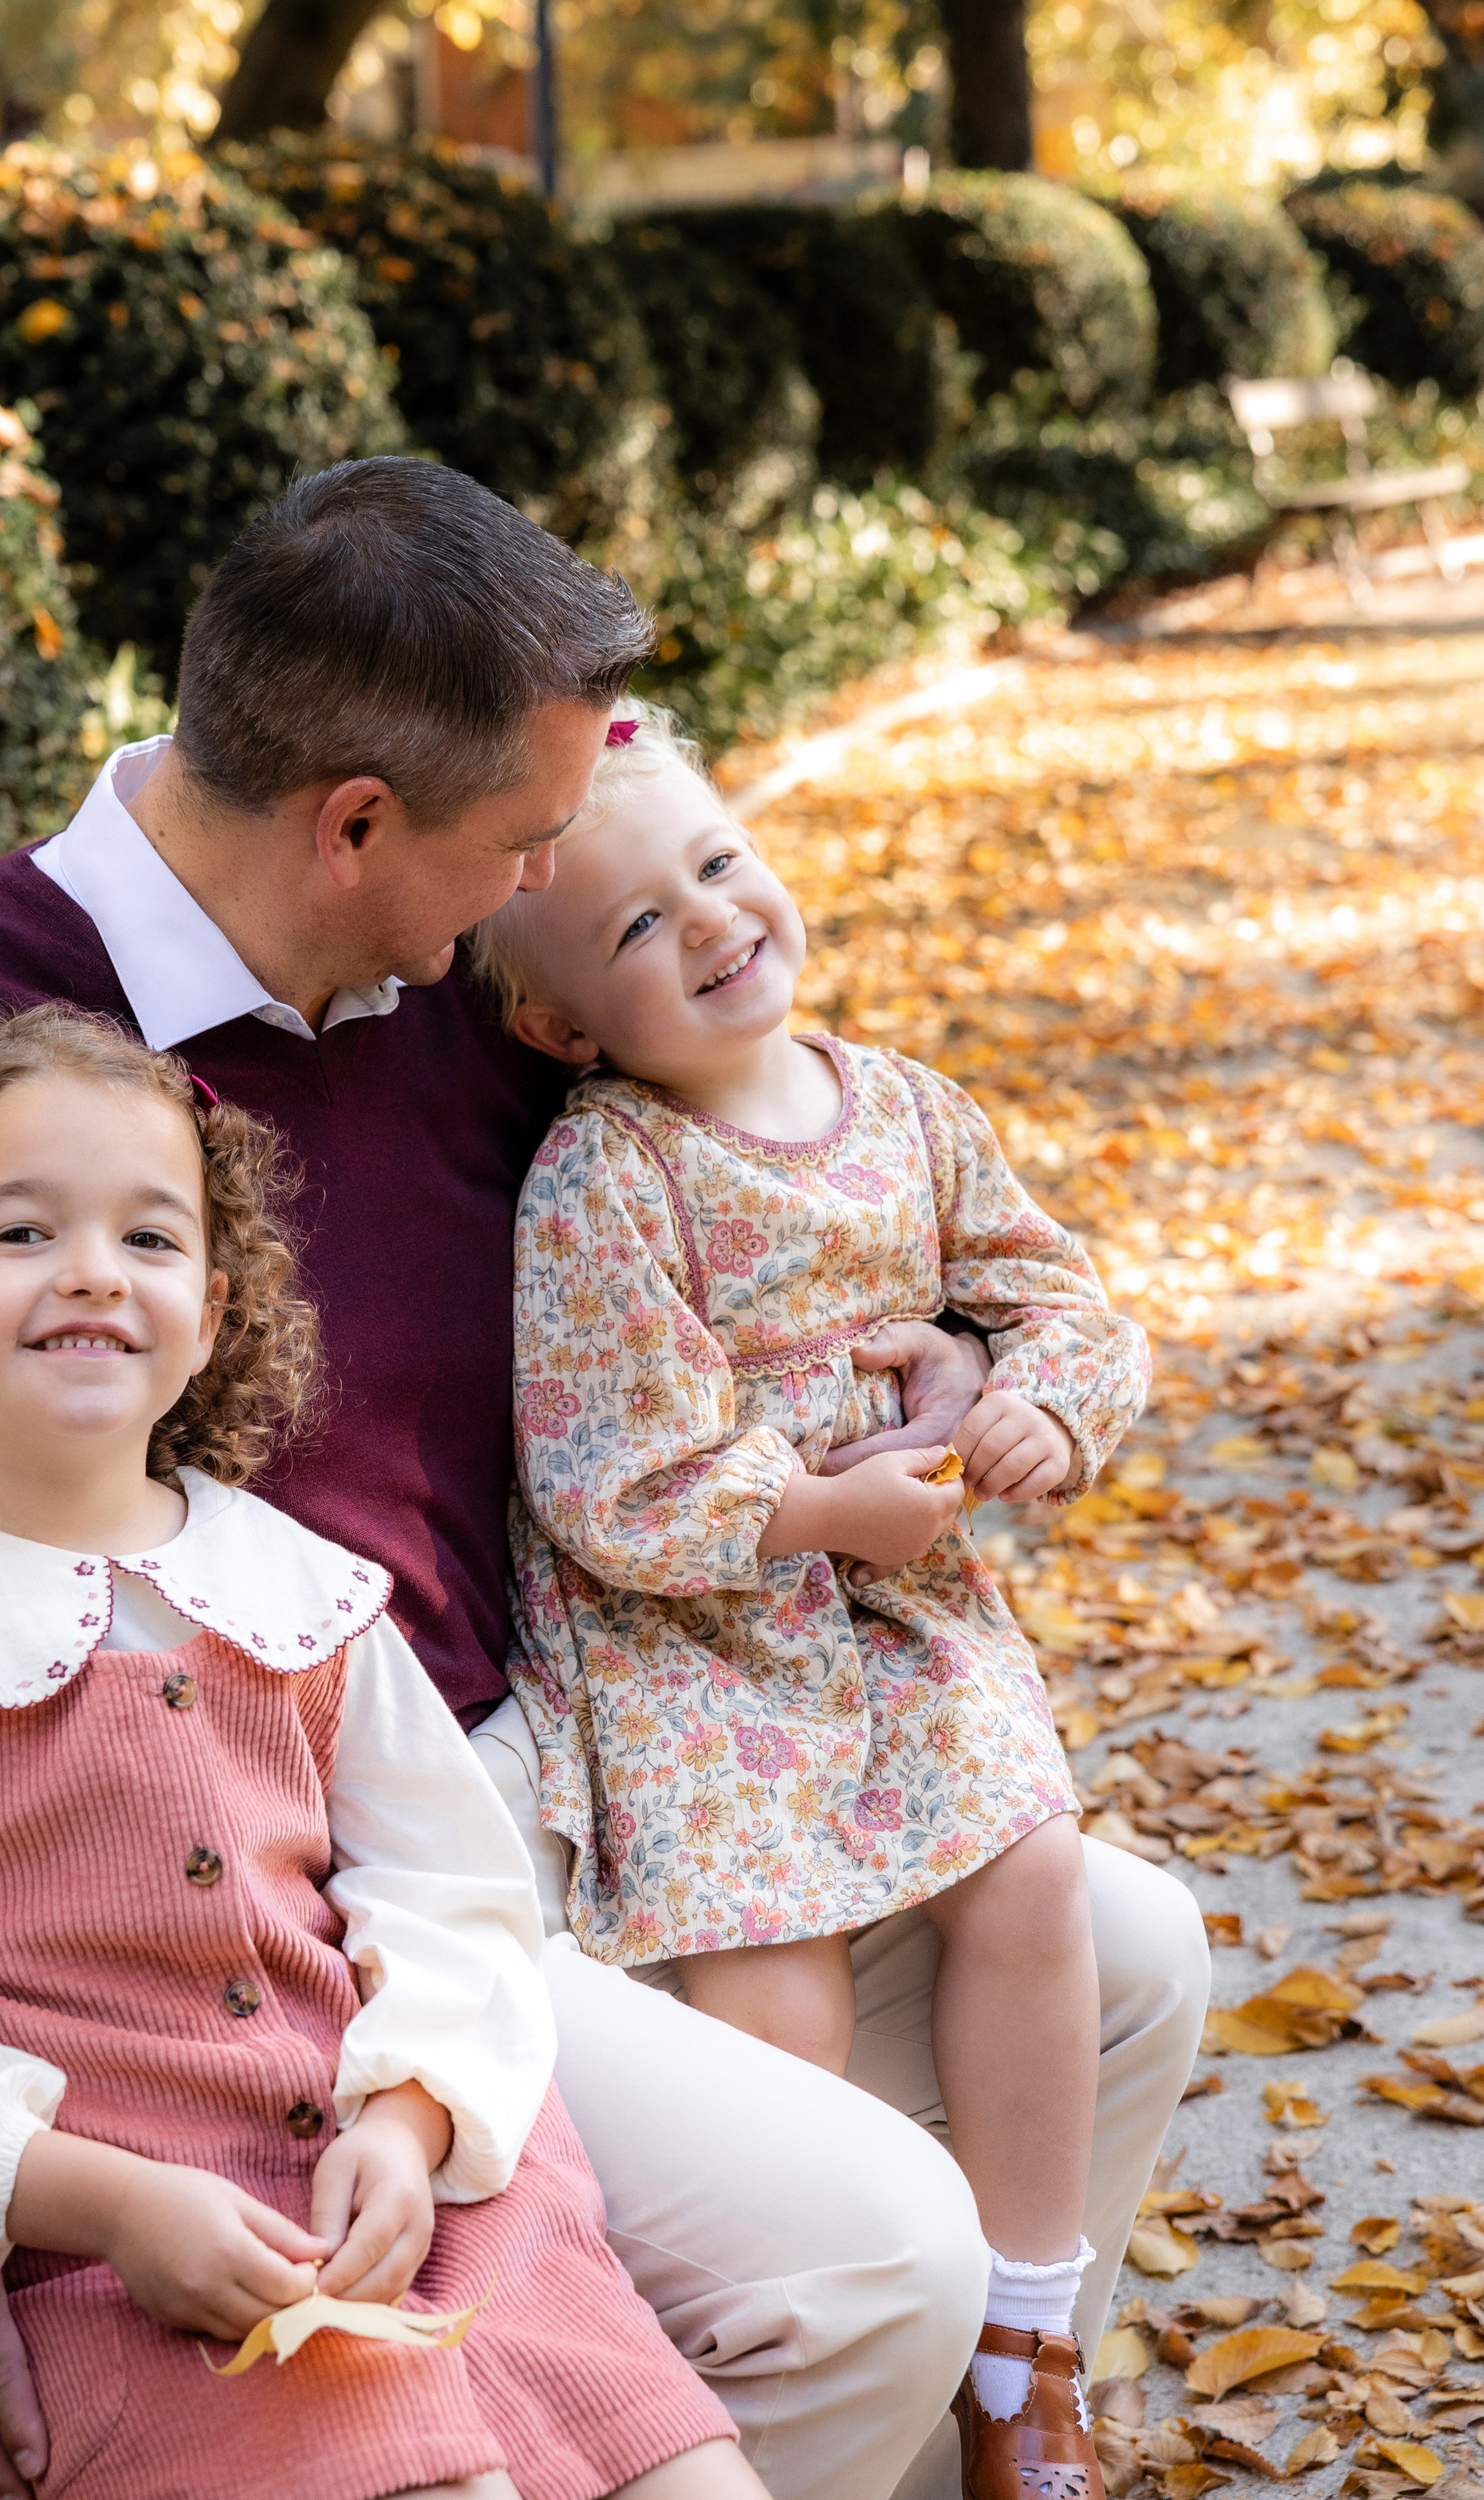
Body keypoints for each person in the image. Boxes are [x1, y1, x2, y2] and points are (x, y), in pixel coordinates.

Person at [0, 459, 1208, 2500]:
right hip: (289, 1898)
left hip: (600, 1776)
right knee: (867, 2263)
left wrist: (969, 1356)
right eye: (521, 841)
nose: (537, 881)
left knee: (1129, 1964)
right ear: (355, 822)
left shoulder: (455, 1003)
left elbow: (765, 1190)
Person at [0, 1004, 753, 2500]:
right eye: (16, 1233)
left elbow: (455, 1892)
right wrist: (113, 2208)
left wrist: (405, 2119)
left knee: (686, 2480)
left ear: (208, 1311)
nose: (89, 1273)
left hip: (416, 2206)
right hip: (121, 2269)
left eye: (148, 1237)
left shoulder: (298, 1590)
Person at [472, 704, 1156, 2500]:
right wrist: (813, 1506)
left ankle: (1020, 2342)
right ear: (559, 1025)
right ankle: (857, 2340)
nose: (705, 919)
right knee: (771, 2021)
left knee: (1029, 1871)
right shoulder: (605, 1174)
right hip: (697, 1651)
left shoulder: (910, 1112)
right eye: (634, 925)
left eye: (715, 863)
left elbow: (1066, 1308)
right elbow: (603, 1470)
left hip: (904, 1621)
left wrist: (1033, 1404)